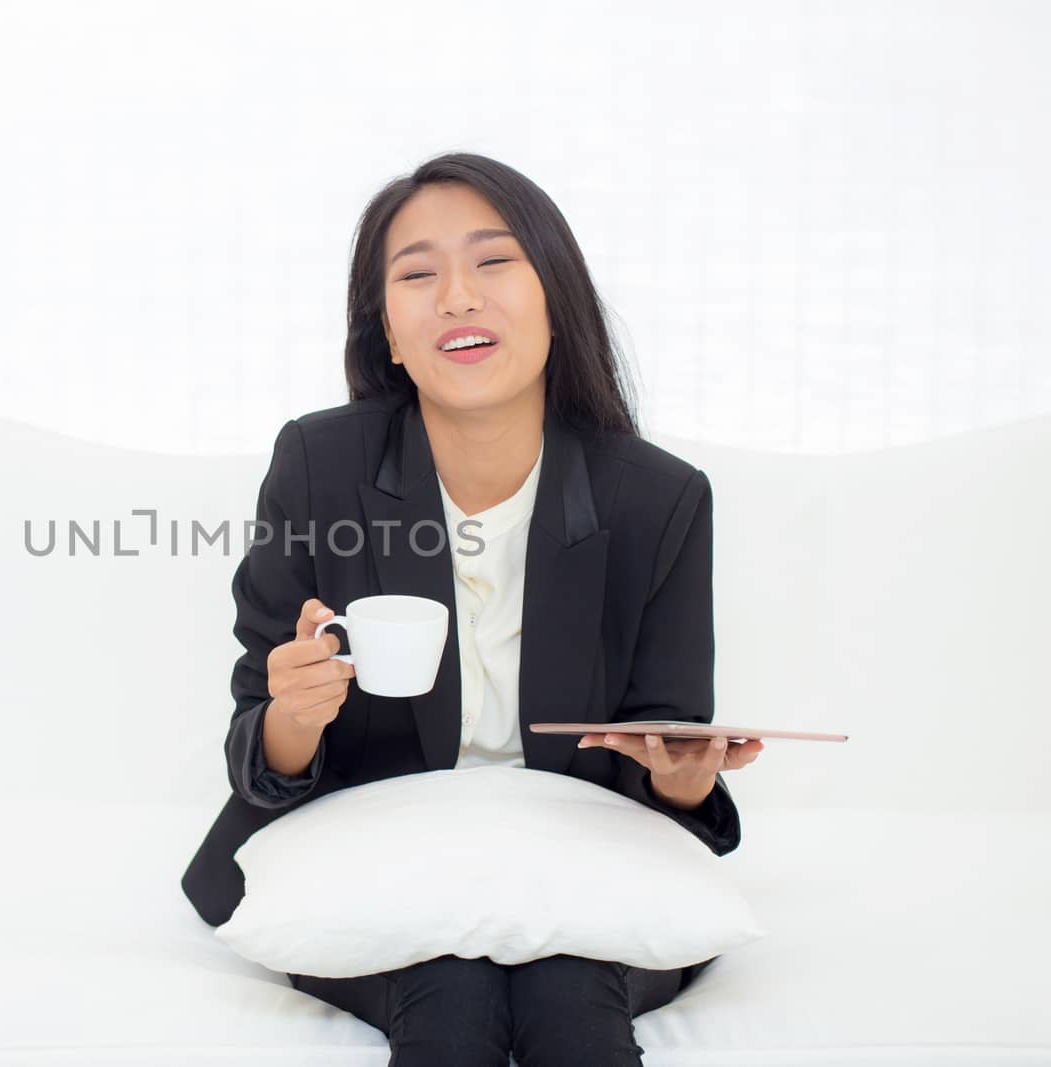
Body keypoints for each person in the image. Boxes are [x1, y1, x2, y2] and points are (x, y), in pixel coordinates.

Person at [180, 151, 765, 1066]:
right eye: (417, 274)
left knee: (572, 1002)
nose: (457, 296)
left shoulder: (658, 499)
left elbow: (672, 759)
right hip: (377, 849)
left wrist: (683, 772)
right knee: (449, 998)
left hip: (573, 855)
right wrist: (295, 714)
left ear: (553, 299)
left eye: (493, 262)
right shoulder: (318, 466)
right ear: (389, 332)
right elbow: (261, 752)